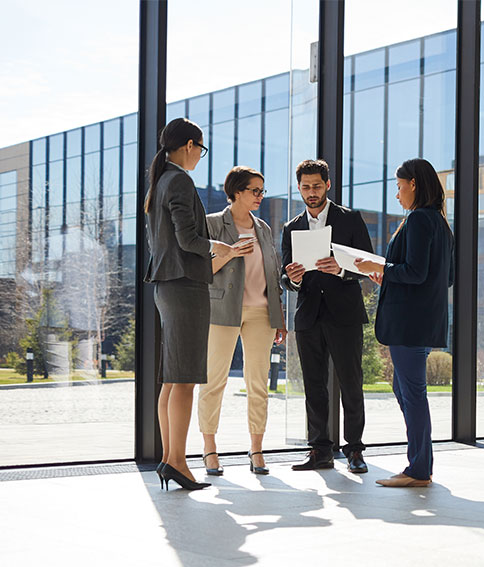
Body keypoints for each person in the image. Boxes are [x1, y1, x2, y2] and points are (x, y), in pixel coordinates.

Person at [143, 118, 236, 491]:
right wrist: (219, 247)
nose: (200, 155)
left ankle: (170, 459)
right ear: (189, 145)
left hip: (167, 285)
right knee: (184, 380)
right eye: (201, 148)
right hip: (184, 286)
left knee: (172, 378)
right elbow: (187, 238)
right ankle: (178, 461)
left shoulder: (160, 180)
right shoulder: (179, 179)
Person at [355, 158, 454, 487]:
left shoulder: (419, 221)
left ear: (413, 184)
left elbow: (415, 272)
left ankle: (419, 470)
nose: (397, 195)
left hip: (411, 323)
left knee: (412, 393)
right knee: (406, 388)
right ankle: (420, 463)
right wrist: (390, 277)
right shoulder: (440, 223)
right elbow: (442, 278)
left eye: (399, 187)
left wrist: (379, 266)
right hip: (424, 320)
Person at [281, 159, 374, 473]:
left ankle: (355, 451)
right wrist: (292, 277)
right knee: (313, 386)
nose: (311, 192)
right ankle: (320, 451)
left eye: (316, 186)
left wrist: (342, 269)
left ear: (328, 185)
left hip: (344, 314)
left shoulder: (350, 219)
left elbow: (367, 264)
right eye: (305, 187)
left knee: (351, 383)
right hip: (309, 316)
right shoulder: (291, 227)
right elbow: (285, 277)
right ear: (299, 188)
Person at [198, 166, 287, 476]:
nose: (260, 196)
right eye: (255, 190)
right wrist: (230, 253)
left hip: (262, 313)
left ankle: (257, 450)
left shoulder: (263, 228)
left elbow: (272, 274)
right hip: (222, 312)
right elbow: (200, 271)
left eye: (262, 191)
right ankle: (209, 449)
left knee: (258, 383)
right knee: (214, 382)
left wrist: (280, 317)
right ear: (236, 191)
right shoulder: (211, 224)